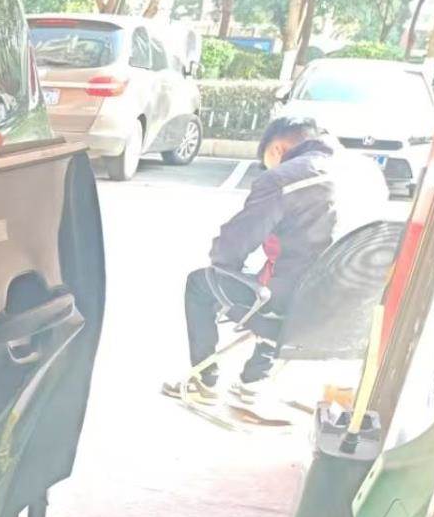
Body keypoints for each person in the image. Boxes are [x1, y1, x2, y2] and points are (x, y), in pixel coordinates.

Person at [164, 115, 388, 401]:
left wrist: (225, 268)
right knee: (283, 276)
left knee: (202, 284)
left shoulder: (285, 178)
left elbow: (233, 245)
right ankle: (254, 378)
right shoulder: (368, 173)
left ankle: (204, 380)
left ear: (277, 150)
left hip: (292, 311)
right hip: (355, 312)